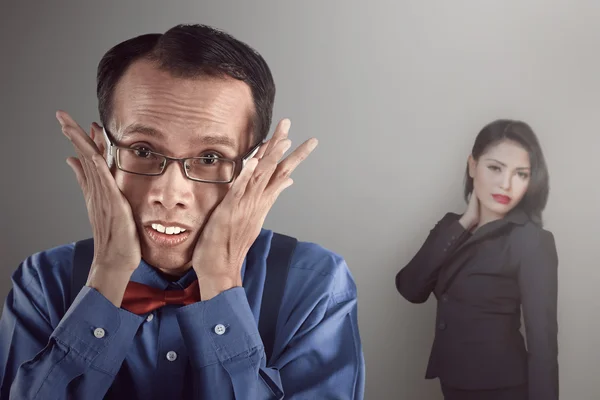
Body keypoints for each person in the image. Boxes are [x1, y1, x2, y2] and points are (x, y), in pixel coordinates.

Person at [0, 24, 365, 399]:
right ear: (102, 154)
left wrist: (221, 281)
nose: (170, 194)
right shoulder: (45, 282)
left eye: (210, 158)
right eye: (142, 150)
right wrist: (107, 277)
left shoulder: (315, 286)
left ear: (257, 167)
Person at [395, 119, 558, 400]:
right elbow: (410, 288)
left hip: (503, 389)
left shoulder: (531, 240)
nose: (506, 184)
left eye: (520, 174)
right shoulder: (451, 227)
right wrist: (466, 221)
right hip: (454, 383)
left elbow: (542, 343)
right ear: (473, 166)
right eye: (495, 168)